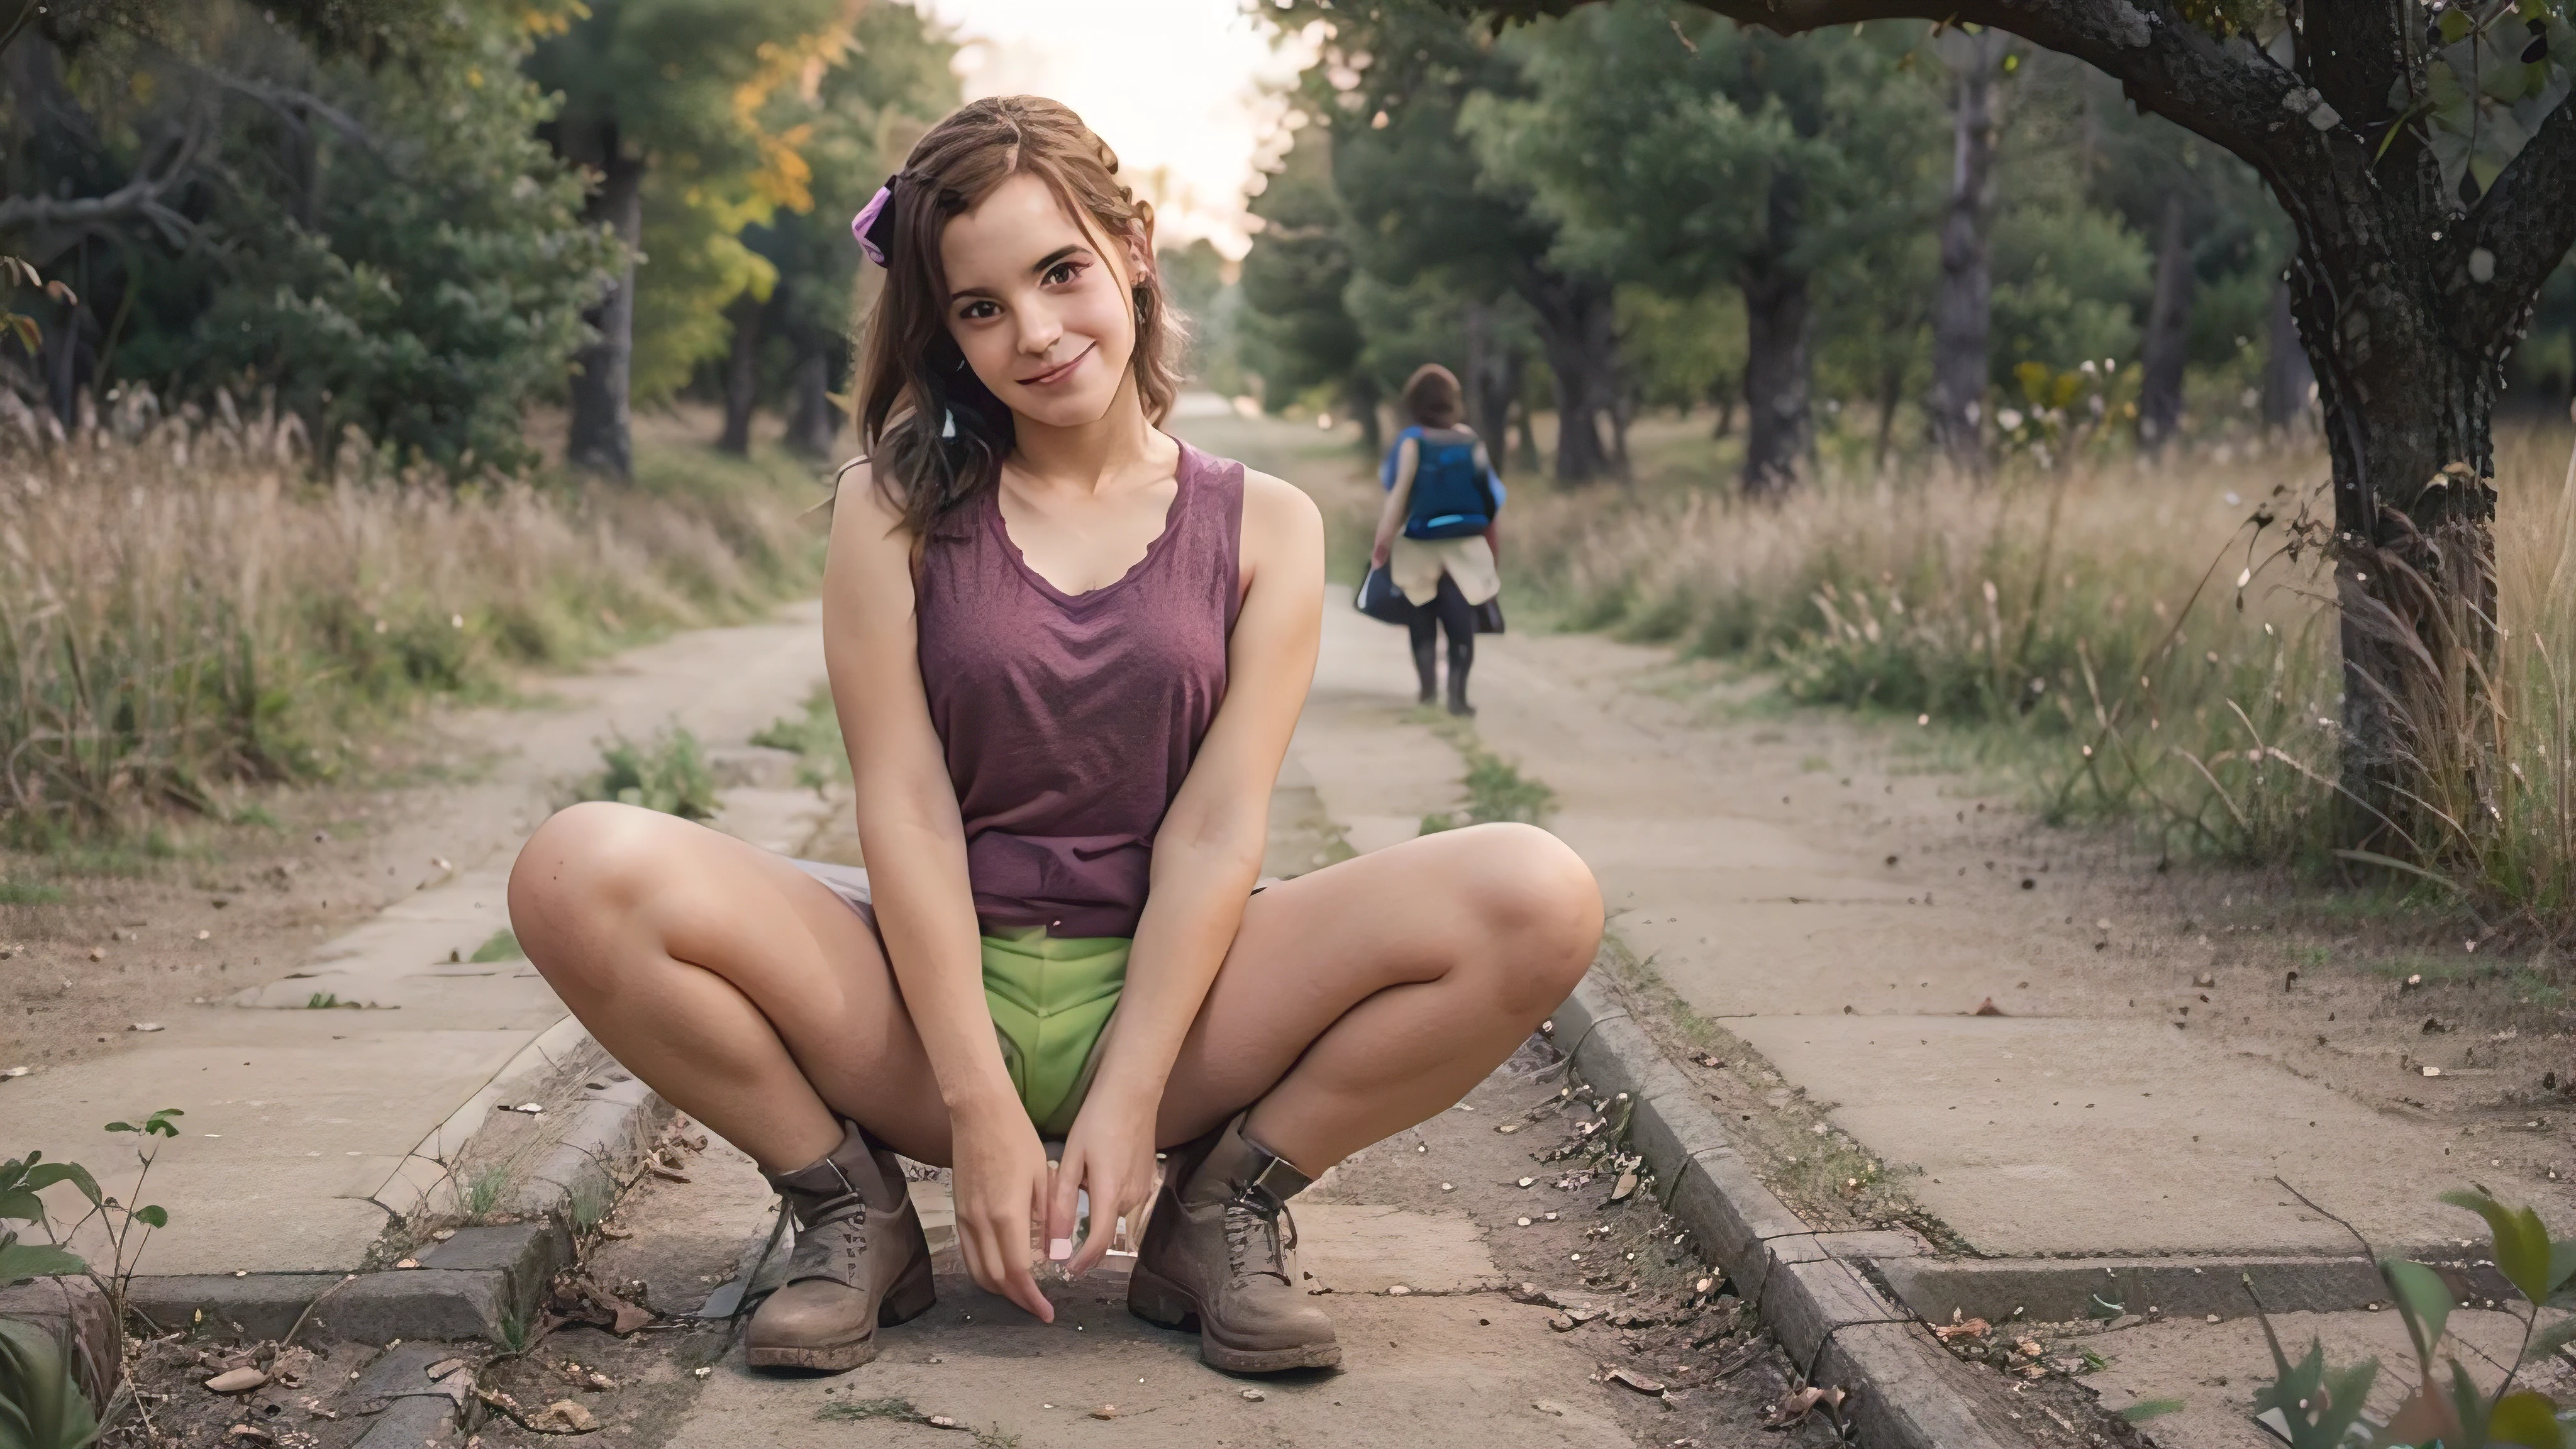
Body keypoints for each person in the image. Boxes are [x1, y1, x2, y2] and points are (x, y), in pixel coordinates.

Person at [506, 97, 1601, 1379]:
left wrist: (1136, 1093)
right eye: (978, 307)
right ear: (945, 330)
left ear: (1130, 246)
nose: (1032, 332)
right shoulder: (891, 508)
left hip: (1180, 1008)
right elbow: (904, 804)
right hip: (925, 1005)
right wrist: (970, 1100)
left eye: (1059, 272)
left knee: (1538, 893)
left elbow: (1213, 825)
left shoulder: (1269, 526)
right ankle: (847, 1216)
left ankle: (1218, 1214)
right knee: (576, 870)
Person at [1370, 365, 1503, 716]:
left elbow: (1397, 497)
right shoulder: (1471, 440)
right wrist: (1490, 544)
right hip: (1465, 542)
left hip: (1420, 542)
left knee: (1421, 617)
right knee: (1463, 624)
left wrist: (1382, 545)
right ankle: (1458, 696)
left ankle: (1428, 691)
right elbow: (1491, 499)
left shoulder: (1414, 441)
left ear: (1415, 403)